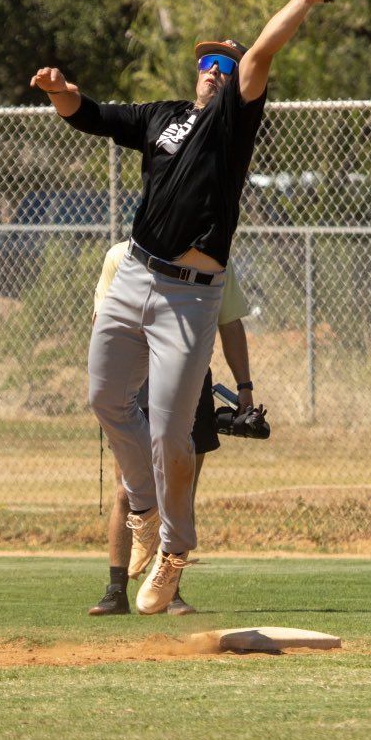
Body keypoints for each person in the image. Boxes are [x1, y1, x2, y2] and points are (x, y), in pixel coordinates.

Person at [30, 0, 325, 614]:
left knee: (170, 434)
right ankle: (141, 509)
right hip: (133, 273)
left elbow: (266, 52)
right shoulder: (162, 117)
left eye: (226, 64)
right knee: (106, 398)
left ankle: (173, 553)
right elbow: (94, 116)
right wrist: (61, 94)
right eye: (206, 65)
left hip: (191, 299)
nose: (214, 70)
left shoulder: (232, 127)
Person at [88, 240, 253, 616]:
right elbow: (103, 324)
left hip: (187, 378)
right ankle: (116, 590)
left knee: (180, 488)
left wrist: (245, 387)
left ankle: (170, 589)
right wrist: (109, 387)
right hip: (136, 379)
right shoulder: (123, 257)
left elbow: (230, 324)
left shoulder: (213, 262)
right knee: (126, 490)